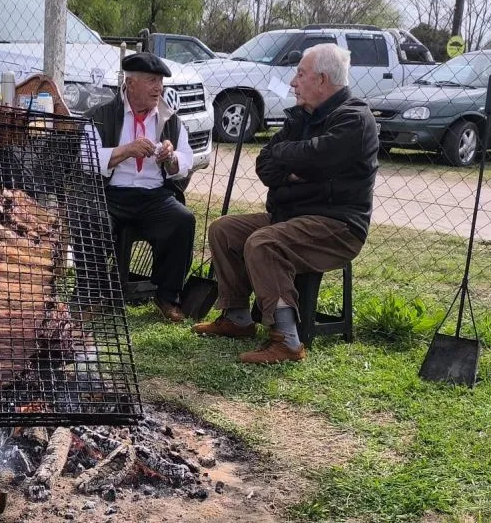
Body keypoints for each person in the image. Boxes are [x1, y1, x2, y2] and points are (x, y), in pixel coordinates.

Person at [191, 43, 379, 363]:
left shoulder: (354, 119)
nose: (293, 82)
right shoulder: (301, 117)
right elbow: (266, 165)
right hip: (289, 216)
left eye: (300, 74)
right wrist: (293, 166)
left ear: (321, 79)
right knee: (224, 230)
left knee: (264, 243)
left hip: (337, 226)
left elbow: (316, 158)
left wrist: (293, 160)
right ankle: (237, 318)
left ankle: (287, 342)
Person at [81, 51, 196, 322]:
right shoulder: (102, 115)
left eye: (160, 82)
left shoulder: (170, 120)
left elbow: (186, 160)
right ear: (130, 83)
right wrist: (126, 150)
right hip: (111, 193)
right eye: (151, 80)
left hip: (153, 195)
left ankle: (167, 296)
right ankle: (92, 295)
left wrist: (171, 158)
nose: (159, 88)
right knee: (90, 218)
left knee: (182, 220)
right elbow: (88, 160)